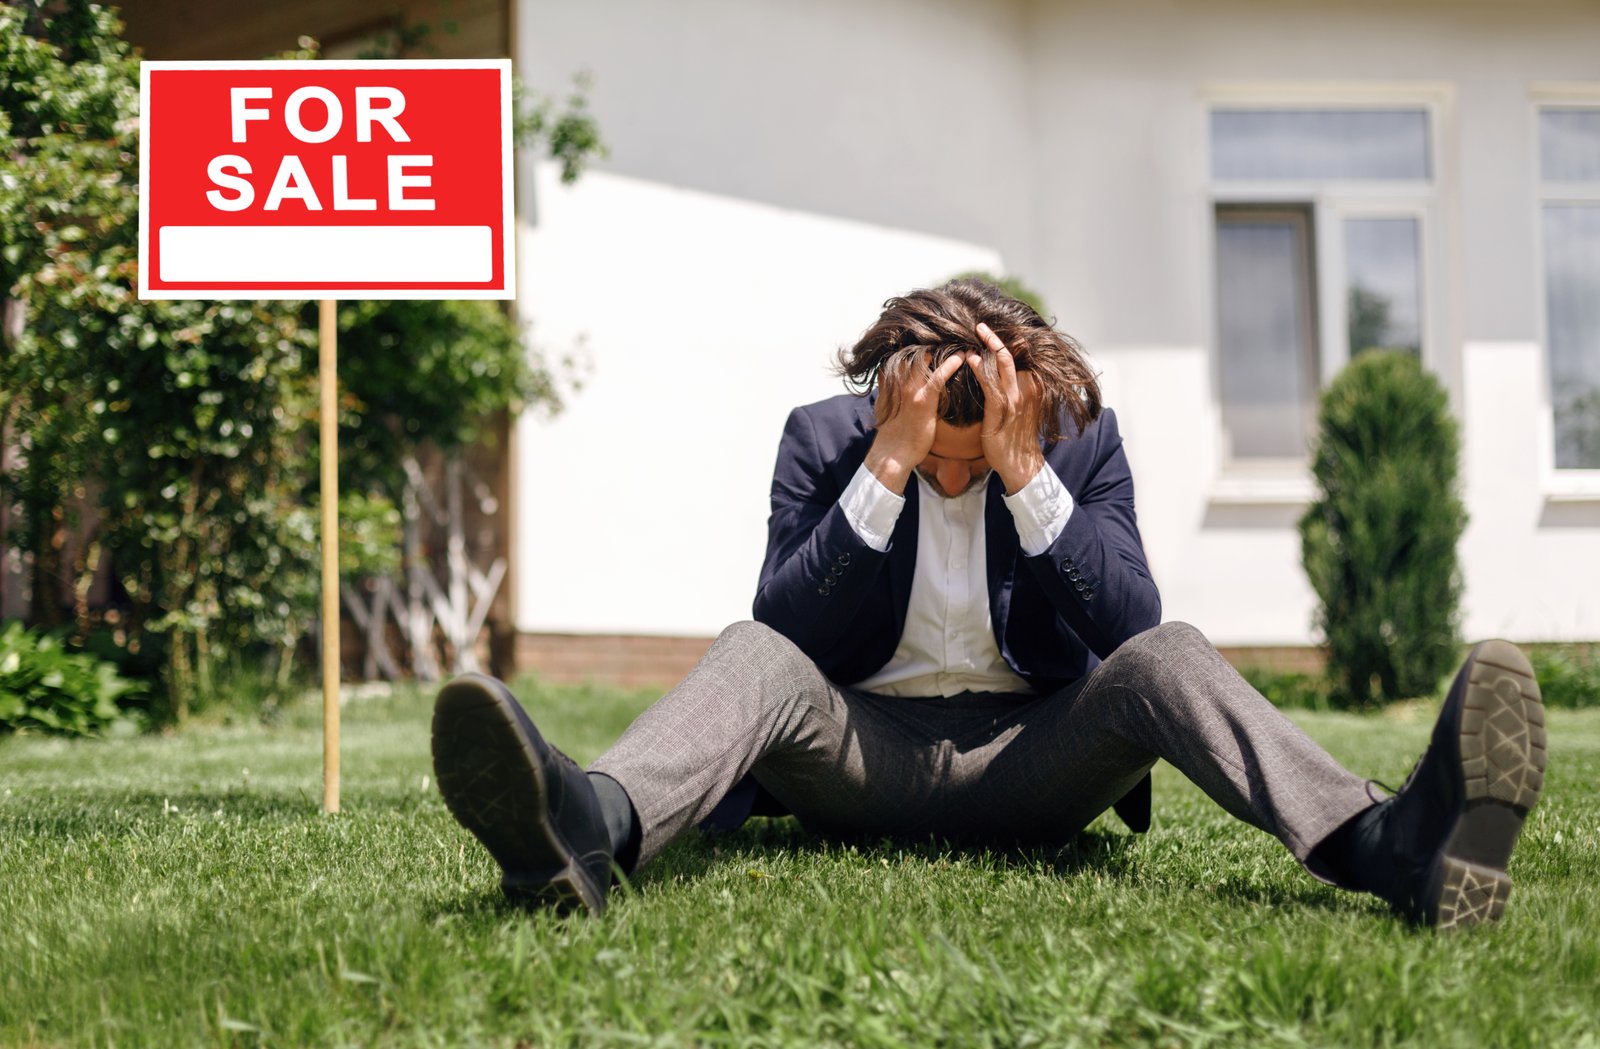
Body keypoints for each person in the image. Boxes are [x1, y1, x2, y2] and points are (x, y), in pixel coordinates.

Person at [430, 278, 1546, 927]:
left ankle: (1391, 845)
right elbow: (789, 629)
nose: (951, 481)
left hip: (1035, 761)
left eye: (973, 461)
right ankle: (582, 830)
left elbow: (1129, 625)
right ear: (894, 404)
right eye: (939, 461)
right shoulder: (828, 441)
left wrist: (1027, 477)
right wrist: (885, 469)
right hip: (860, 757)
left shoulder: (1076, 436)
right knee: (751, 650)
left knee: (1170, 651)